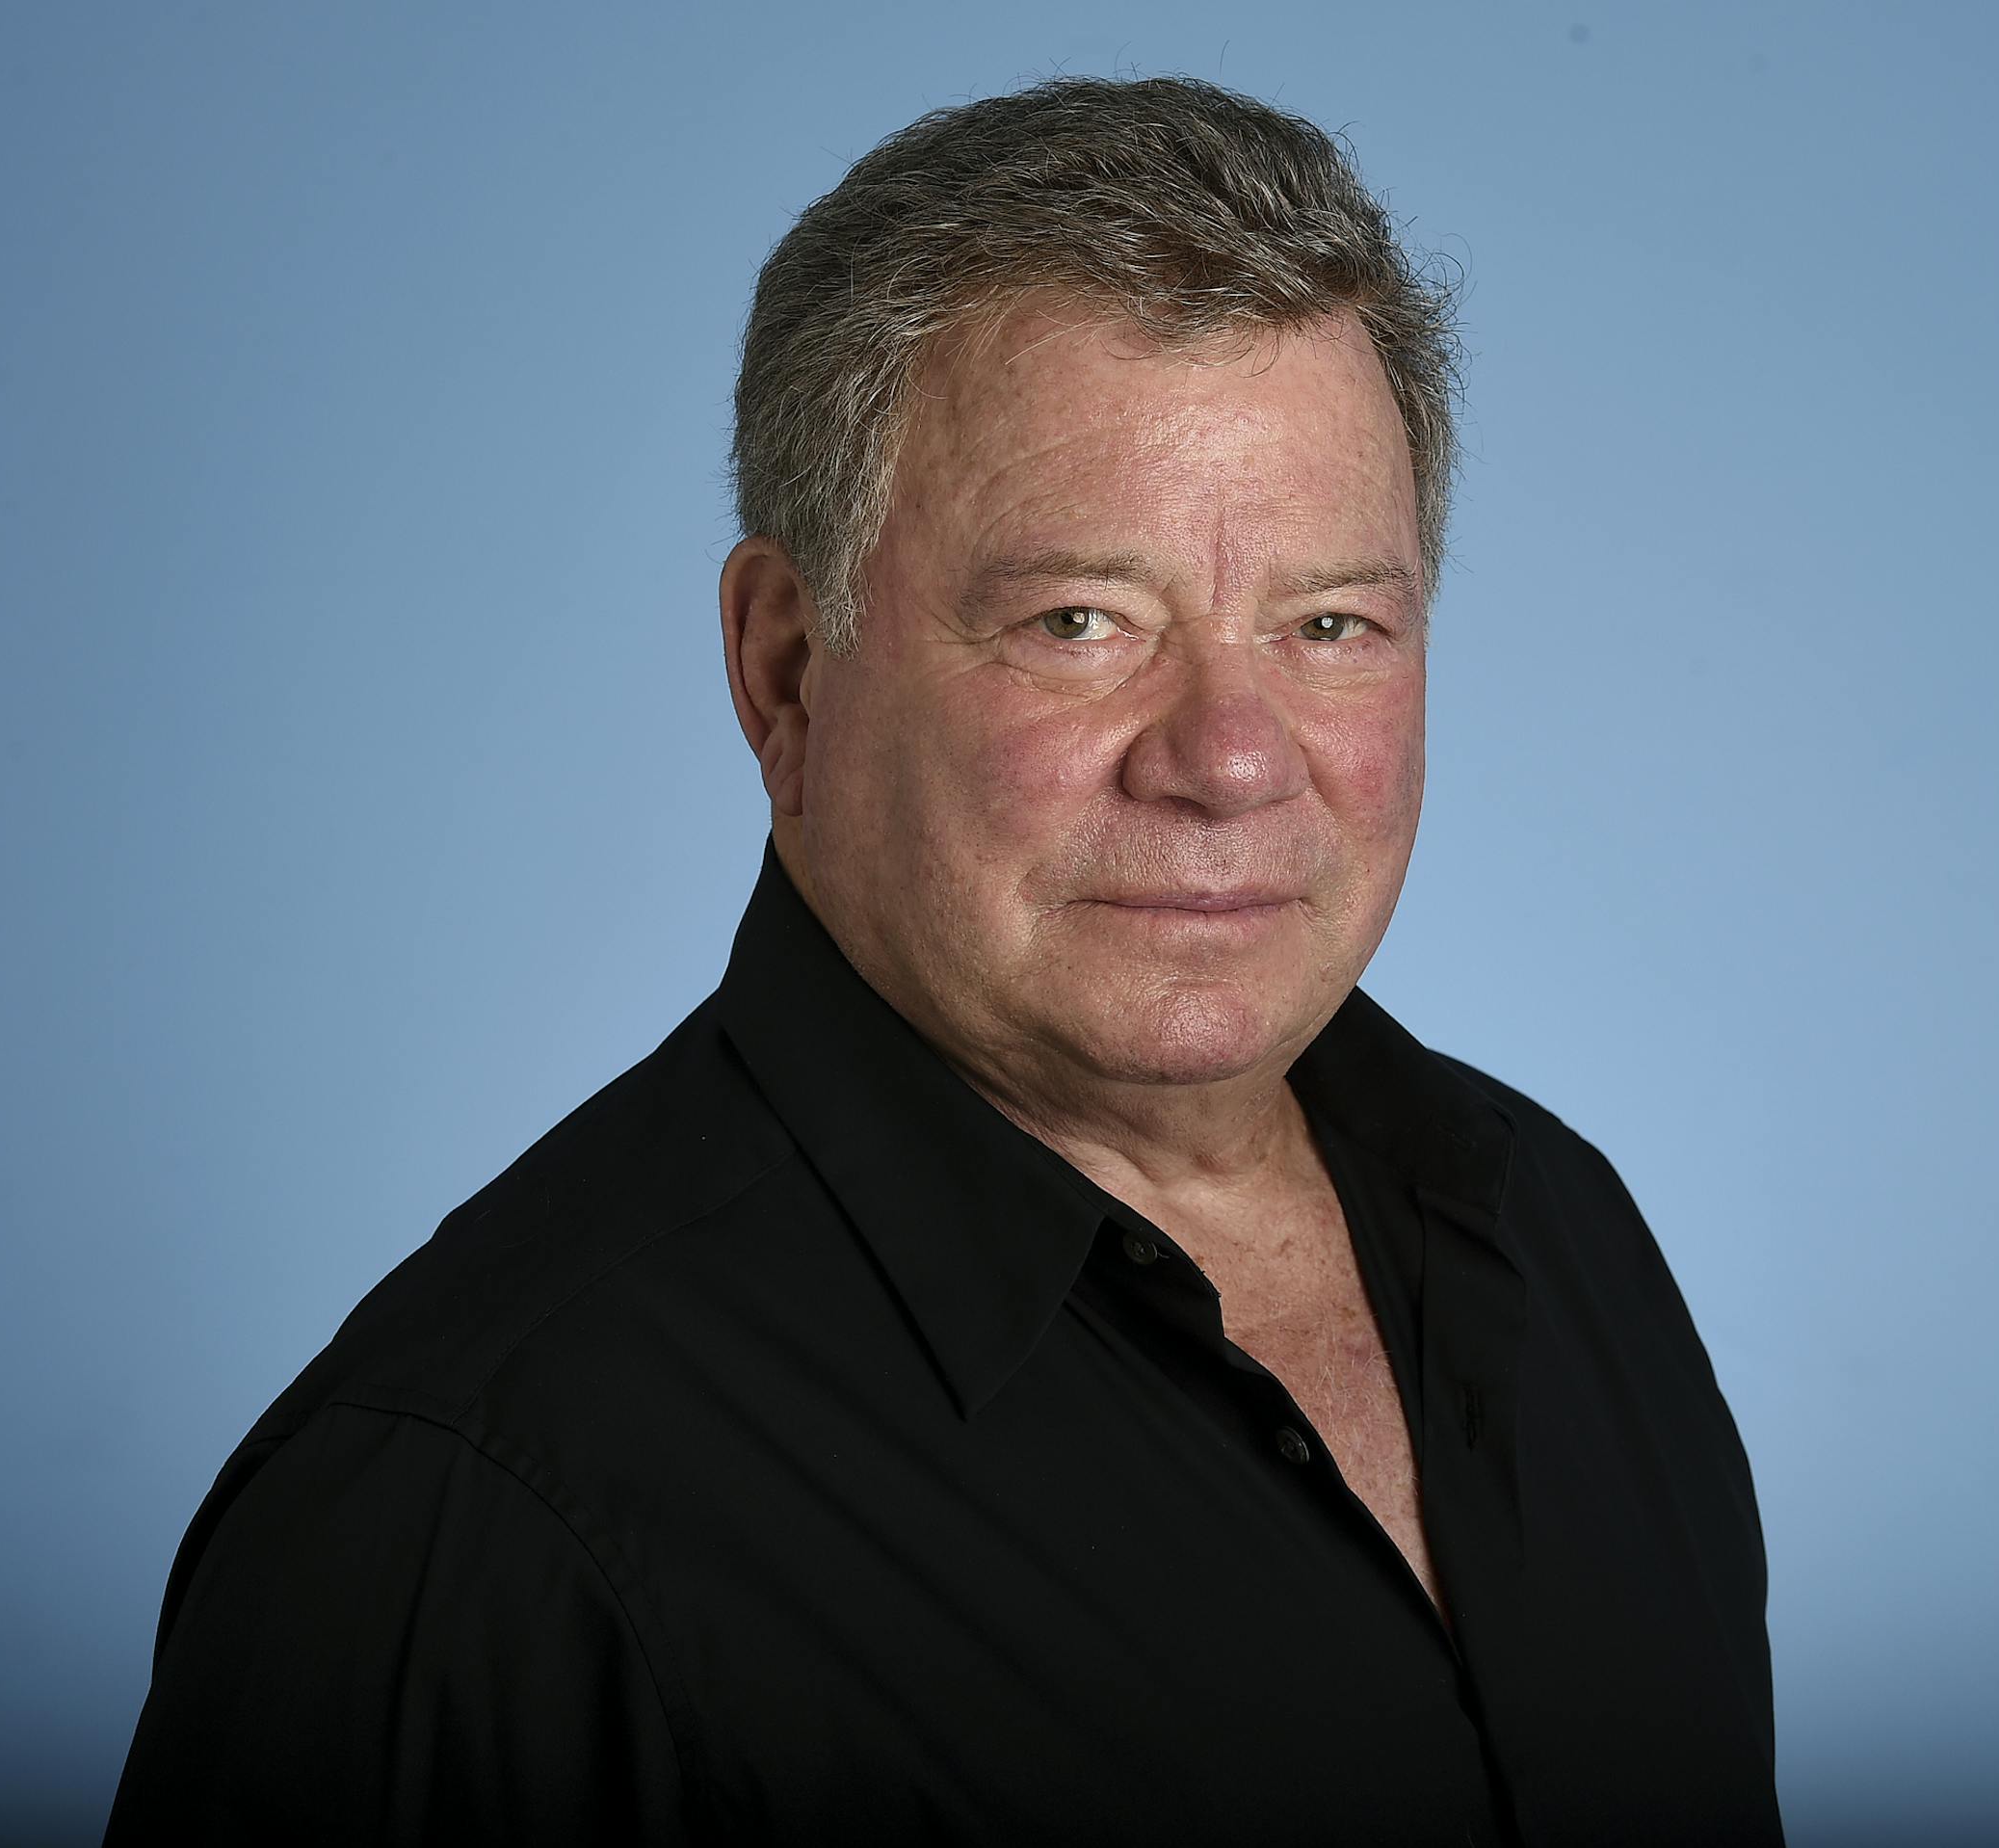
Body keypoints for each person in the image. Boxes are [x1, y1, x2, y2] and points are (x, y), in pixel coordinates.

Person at [105, 75, 1781, 1846]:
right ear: (787, 669)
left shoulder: (1555, 1231)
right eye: (1081, 622)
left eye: (1330, 624)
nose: (1229, 753)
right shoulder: (470, 1525)